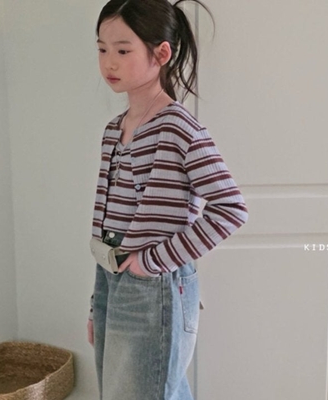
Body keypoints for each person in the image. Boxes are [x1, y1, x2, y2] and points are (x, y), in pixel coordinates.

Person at [87, 1, 249, 399]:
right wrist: (98, 303)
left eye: (123, 50)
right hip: (111, 277)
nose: (109, 62)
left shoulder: (178, 128)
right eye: (102, 49)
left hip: (153, 285)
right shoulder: (114, 130)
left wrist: (152, 262)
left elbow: (230, 208)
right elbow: (112, 224)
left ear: (161, 54)